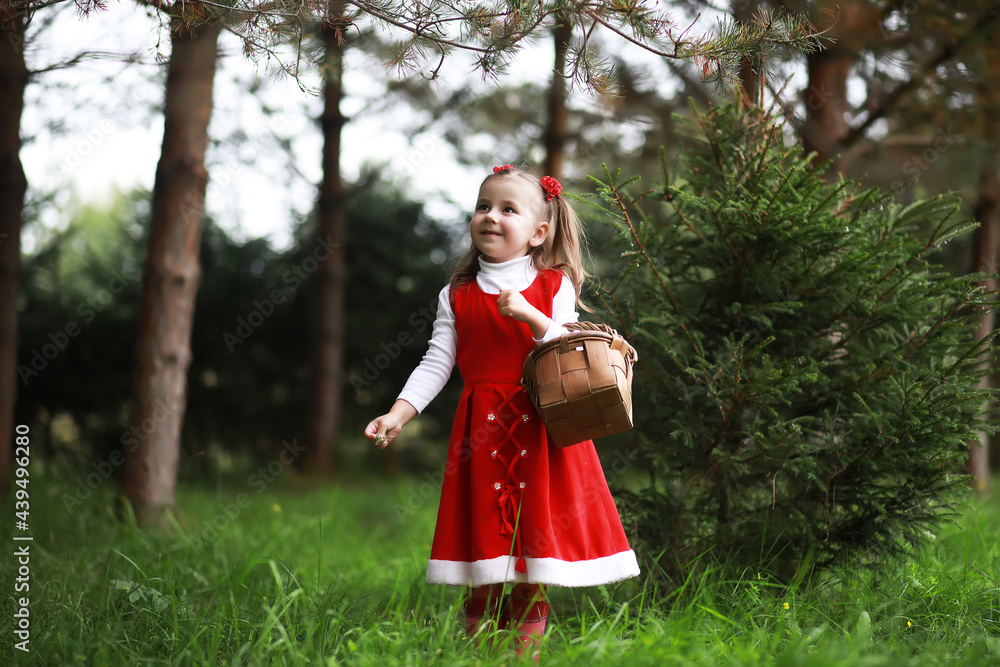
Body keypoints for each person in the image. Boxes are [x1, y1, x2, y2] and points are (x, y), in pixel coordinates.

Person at [365, 164, 639, 658]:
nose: (491, 216)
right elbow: (436, 363)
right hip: (481, 437)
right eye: (483, 206)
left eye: (507, 209)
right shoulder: (457, 295)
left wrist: (531, 315)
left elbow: (572, 348)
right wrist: (397, 414)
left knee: (532, 558)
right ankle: (480, 653)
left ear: (538, 233)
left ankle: (523, 657)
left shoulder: (554, 286)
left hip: (541, 430)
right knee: (485, 555)